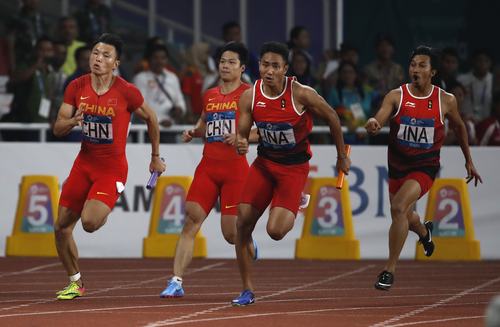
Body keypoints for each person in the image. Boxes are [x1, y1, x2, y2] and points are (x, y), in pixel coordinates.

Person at [231, 42, 350, 306]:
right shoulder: (249, 96)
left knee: (276, 231)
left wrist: (341, 156)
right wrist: (242, 142)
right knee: (242, 223)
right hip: (264, 163)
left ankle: (294, 199)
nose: (269, 71)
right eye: (264, 65)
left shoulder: (301, 93)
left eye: (275, 66)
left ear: (286, 68)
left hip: (293, 168)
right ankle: (247, 289)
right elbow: (244, 132)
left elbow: (332, 117)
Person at [52, 33, 166, 300]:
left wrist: (155, 156)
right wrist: (72, 122)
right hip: (83, 164)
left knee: (90, 223)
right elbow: (58, 127)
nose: (98, 59)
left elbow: (151, 118)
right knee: (61, 227)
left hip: (111, 169)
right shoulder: (76, 86)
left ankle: (102, 208)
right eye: (95, 53)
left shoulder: (126, 91)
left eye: (105, 55)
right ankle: (75, 282)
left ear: (116, 63)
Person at [365, 46, 482, 291]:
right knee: (405, 216)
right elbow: (381, 115)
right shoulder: (396, 95)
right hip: (397, 165)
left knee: (398, 208)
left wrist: (468, 160)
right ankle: (424, 232)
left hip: (424, 167)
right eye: (413, 65)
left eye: (422, 65)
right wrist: (374, 123)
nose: (415, 70)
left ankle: (389, 270)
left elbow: (460, 128)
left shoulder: (446, 100)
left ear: (433, 71)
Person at [159, 42, 257, 298]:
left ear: (242, 67)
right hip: (208, 167)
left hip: (235, 170)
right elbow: (205, 123)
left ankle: (247, 241)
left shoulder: (250, 94)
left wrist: (242, 136)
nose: (225, 65)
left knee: (231, 234)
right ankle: (176, 281)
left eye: (231, 62)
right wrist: (194, 131)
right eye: (223, 61)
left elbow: (263, 129)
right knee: (191, 220)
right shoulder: (210, 94)